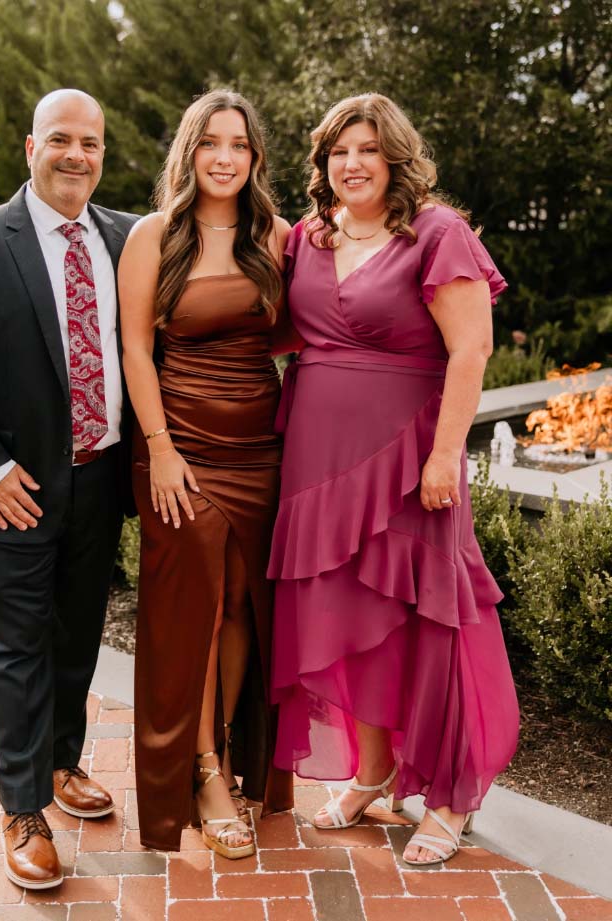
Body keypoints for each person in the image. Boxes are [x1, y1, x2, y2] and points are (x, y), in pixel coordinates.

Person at [267, 93, 519, 865]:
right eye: (340, 151)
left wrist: (446, 455)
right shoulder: (306, 238)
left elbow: (471, 351)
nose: (352, 164)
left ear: (395, 158)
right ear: (323, 163)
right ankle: (373, 770)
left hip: (413, 459)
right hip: (318, 461)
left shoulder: (437, 233)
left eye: (369, 150)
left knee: (427, 617)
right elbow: (275, 330)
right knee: (345, 613)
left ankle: (449, 797)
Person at [0, 89, 138, 890]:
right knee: (12, 649)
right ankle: (21, 807)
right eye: (61, 140)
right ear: (30, 147)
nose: (76, 154)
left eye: (91, 142)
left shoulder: (125, 238)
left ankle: (62, 762)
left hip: (100, 478)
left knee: (77, 635)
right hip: (12, 488)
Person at [119, 89, 296, 857]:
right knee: (189, 610)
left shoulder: (280, 238)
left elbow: (306, 333)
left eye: (240, 145)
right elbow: (134, 348)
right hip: (178, 452)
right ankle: (200, 768)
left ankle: (224, 750)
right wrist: (158, 445)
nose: (225, 156)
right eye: (211, 142)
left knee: (239, 612)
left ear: (255, 158)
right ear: (189, 151)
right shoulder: (154, 236)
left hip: (261, 451)